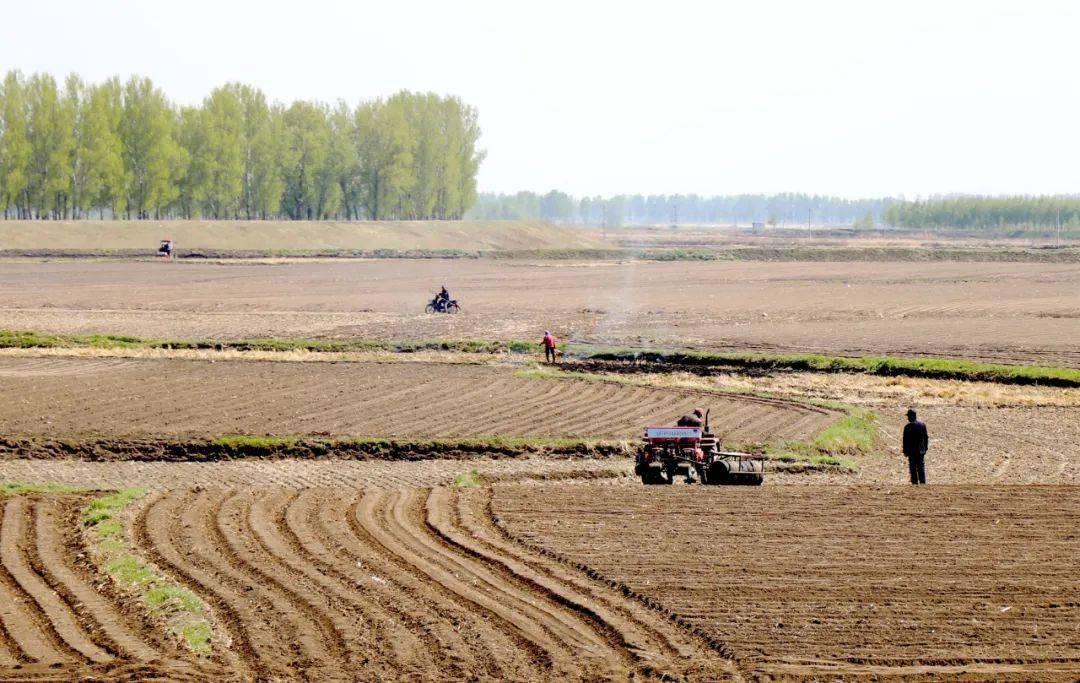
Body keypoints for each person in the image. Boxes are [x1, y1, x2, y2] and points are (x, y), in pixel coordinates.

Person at [902, 408, 929, 484]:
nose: (907, 418)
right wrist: (925, 448)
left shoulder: (907, 427)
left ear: (911, 416)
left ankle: (914, 483)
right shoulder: (922, 425)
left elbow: (905, 440)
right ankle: (923, 483)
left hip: (911, 451)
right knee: (921, 466)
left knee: (913, 467)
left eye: (908, 416)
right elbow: (926, 438)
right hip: (920, 450)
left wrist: (905, 451)